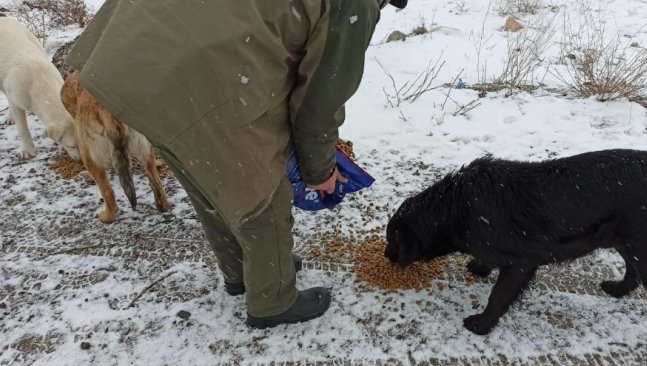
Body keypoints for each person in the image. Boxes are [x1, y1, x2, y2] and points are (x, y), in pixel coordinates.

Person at [66, 0, 409, 328]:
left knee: (200, 163)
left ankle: (243, 271)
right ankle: (272, 300)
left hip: (135, 49)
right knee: (260, 186)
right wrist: (319, 170)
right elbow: (319, 101)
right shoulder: (357, 5)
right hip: (191, 65)